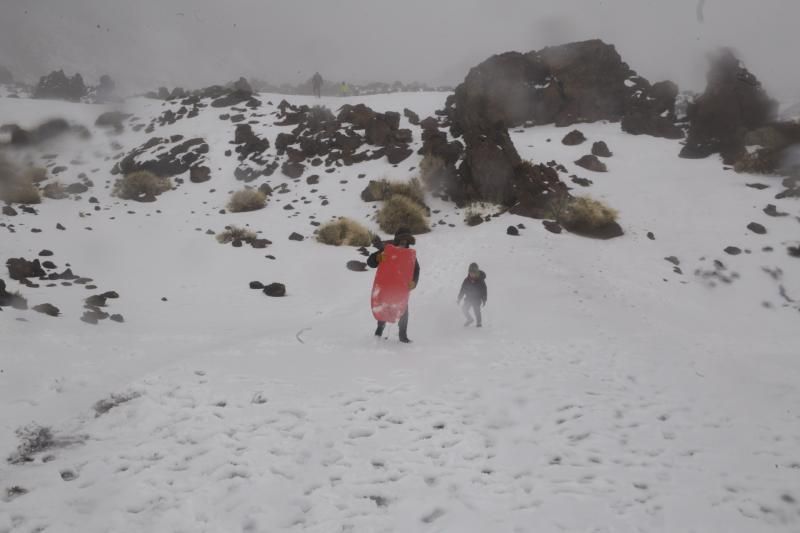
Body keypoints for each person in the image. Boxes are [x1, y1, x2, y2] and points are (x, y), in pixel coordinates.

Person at [367, 228, 420, 343]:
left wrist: (414, 282)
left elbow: (416, 270)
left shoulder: (410, 255)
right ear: (397, 239)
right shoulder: (387, 250)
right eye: (402, 239)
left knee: (403, 311)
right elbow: (370, 262)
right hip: (386, 287)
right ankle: (379, 330)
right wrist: (377, 258)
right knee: (383, 308)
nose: (404, 242)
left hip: (400, 289)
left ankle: (403, 335)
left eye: (406, 239)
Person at [457, 263, 487, 327]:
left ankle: (479, 322)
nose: (472, 274)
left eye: (473, 273)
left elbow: (484, 290)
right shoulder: (466, 280)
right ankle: (470, 319)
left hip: (477, 299)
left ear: (476, 273)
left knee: (477, 311)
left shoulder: (480, 281)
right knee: (464, 309)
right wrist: (459, 298)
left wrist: (484, 299)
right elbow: (462, 290)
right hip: (469, 298)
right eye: (470, 273)